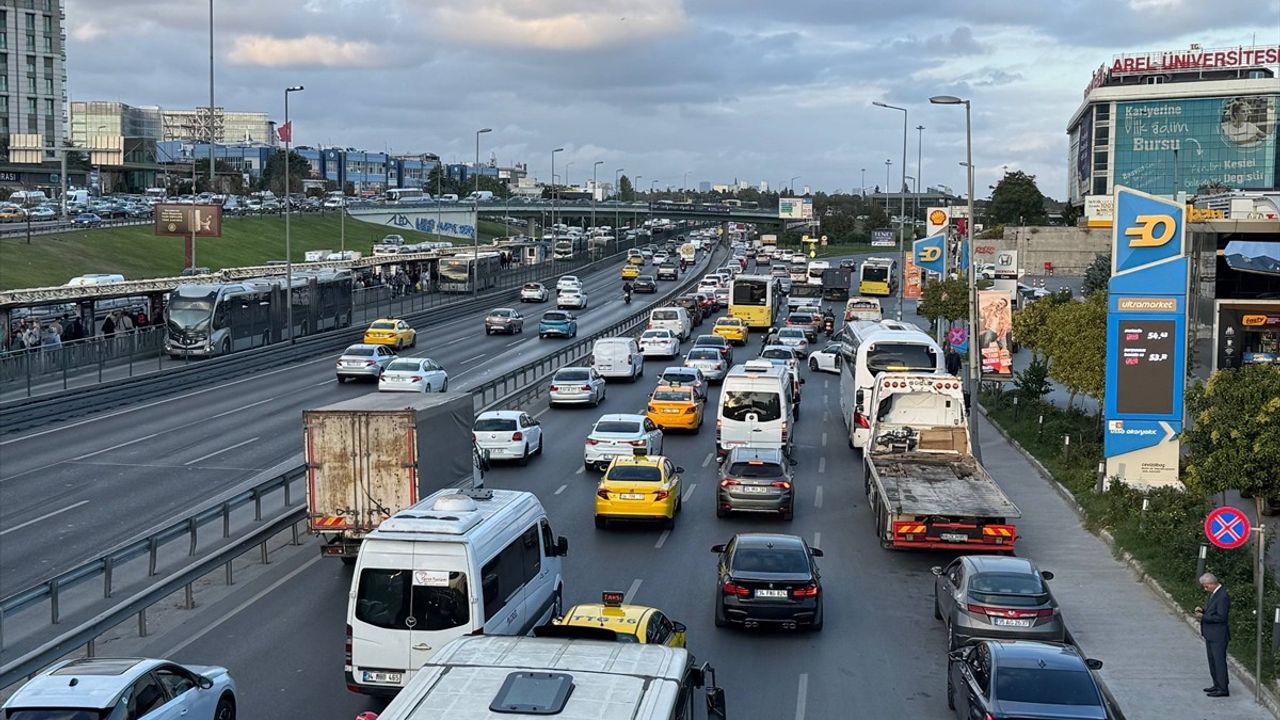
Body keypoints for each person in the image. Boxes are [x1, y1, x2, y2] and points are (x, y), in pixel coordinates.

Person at [1196, 573, 1230, 697]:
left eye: (1206, 586)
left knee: (1219, 661)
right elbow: (1212, 610)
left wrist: (1204, 617)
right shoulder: (1214, 594)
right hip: (1211, 634)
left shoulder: (1222, 596)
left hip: (1218, 634)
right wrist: (1203, 610)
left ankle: (1223, 688)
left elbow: (1221, 616)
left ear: (1211, 583)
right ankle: (1216, 684)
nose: (1205, 589)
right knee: (1212, 661)